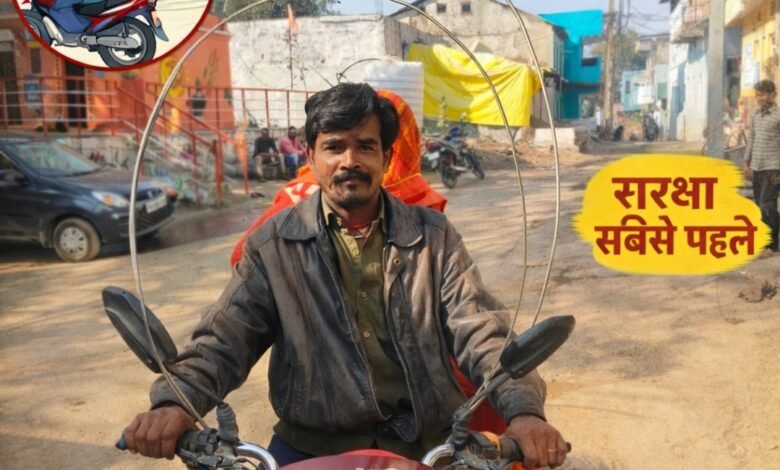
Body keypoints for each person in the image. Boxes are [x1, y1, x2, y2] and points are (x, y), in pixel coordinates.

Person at [122, 83, 569, 469]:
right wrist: (174, 402)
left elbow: (481, 332)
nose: (349, 160)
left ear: (386, 156)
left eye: (365, 146)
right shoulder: (272, 245)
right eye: (334, 146)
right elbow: (223, 341)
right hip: (311, 445)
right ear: (311, 155)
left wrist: (524, 411)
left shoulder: (434, 236)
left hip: (427, 443)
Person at [743, 79, 780, 255]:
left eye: (763, 95)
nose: (759, 98)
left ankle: (771, 245)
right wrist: (746, 162)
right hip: (757, 166)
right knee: (759, 206)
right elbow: (751, 139)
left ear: (772, 94)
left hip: (773, 167)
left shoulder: (778, 116)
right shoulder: (756, 116)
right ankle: (765, 242)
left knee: (767, 205)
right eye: (757, 95)